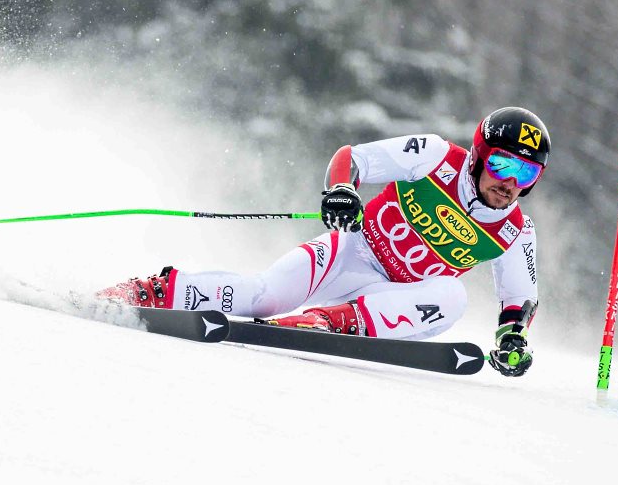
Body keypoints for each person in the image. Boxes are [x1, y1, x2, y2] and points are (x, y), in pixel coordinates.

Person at [97, 106, 550, 377]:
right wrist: (342, 191)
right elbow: (352, 159)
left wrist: (513, 341)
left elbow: (519, 302)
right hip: (353, 253)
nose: (511, 183)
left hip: (394, 302)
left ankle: (330, 323)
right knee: (264, 295)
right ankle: (156, 291)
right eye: (504, 165)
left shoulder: (515, 231)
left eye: (527, 174)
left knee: (452, 295)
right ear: (478, 156)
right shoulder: (435, 157)